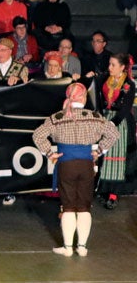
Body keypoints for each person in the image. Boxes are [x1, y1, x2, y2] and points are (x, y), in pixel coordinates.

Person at [32, 83, 119, 256]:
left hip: (66, 165)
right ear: (84, 98)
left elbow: (37, 135)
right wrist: (99, 151)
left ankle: (67, 248)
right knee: (85, 206)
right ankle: (82, 247)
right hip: (87, 164)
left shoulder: (57, 117)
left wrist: (50, 153)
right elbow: (114, 134)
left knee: (68, 206)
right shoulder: (95, 117)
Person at [94, 53, 136, 210]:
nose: (109, 67)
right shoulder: (105, 78)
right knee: (104, 154)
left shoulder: (129, 85)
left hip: (120, 121)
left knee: (117, 156)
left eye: (113, 65)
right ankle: (103, 188)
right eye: (110, 64)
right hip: (105, 116)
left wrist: (113, 123)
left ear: (122, 67)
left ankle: (114, 192)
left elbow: (125, 109)